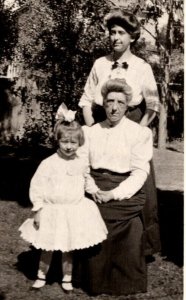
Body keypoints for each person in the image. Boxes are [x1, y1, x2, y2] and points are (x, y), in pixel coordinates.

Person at [78, 7, 161, 256]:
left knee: (140, 181)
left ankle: (141, 246)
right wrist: (93, 128)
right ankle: (89, 239)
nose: (115, 37)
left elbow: (153, 105)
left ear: (132, 37)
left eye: (121, 33)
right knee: (93, 177)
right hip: (103, 123)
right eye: (112, 32)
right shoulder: (99, 64)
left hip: (133, 125)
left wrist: (136, 133)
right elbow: (85, 100)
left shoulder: (142, 67)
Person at [74, 78, 153, 296]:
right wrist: (92, 189)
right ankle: (93, 278)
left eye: (119, 102)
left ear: (127, 105)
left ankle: (124, 281)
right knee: (91, 212)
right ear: (103, 104)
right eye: (109, 101)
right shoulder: (90, 132)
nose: (114, 107)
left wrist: (115, 194)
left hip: (125, 188)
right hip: (95, 187)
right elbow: (81, 166)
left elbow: (139, 172)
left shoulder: (139, 133)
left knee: (123, 219)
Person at [19, 103, 108, 293]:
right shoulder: (49, 163)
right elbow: (37, 187)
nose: (69, 146)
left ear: (79, 143)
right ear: (57, 141)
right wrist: (38, 209)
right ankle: (41, 275)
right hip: (52, 210)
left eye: (73, 143)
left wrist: (95, 191)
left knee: (69, 246)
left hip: (72, 210)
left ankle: (67, 277)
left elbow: (86, 179)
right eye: (65, 142)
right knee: (47, 246)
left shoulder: (81, 162)